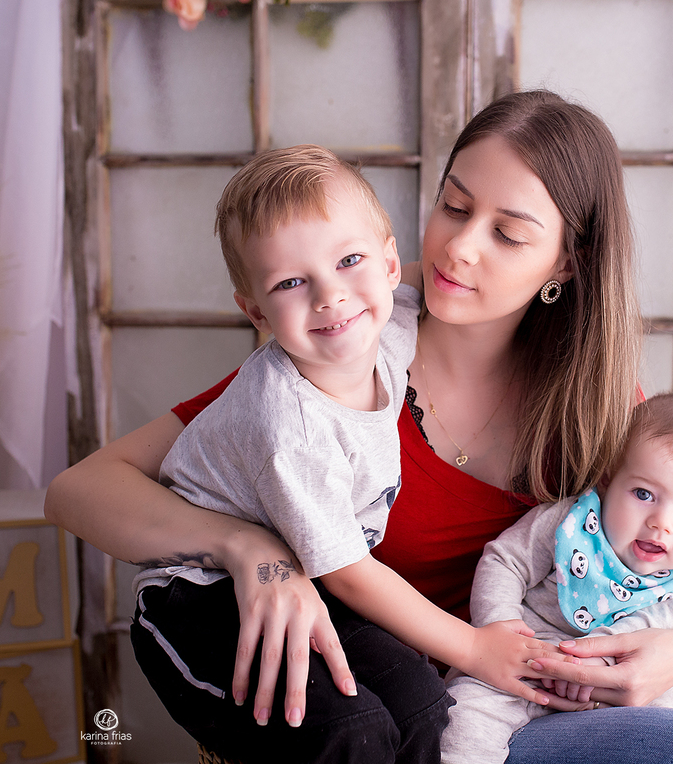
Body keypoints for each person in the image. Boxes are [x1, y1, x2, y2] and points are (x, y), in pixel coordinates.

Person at [46, 89, 673, 764]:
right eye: (454, 207)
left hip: (534, 706)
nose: (460, 249)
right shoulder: (343, 343)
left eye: (508, 235)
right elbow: (81, 490)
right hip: (399, 721)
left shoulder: (597, 398)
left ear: (568, 262)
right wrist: (249, 546)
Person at [131, 144, 555, 762]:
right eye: (291, 282)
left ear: (388, 264)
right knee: (346, 730)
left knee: (422, 705)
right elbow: (348, 573)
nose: (331, 296)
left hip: (310, 579)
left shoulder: (389, 328)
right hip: (199, 597)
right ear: (254, 311)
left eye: (349, 261)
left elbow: (417, 279)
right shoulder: (289, 423)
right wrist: (473, 649)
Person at [440, 392, 673, 764]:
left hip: (610, 687)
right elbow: (505, 561)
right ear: (608, 480)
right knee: (466, 721)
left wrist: (595, 670)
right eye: (643, 493)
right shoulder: (571, 524)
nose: (661, 522)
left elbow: (653, 626)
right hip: (521, 666)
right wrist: (500, 625)